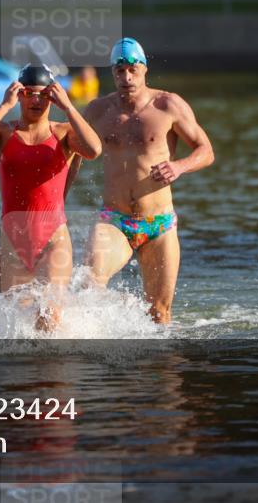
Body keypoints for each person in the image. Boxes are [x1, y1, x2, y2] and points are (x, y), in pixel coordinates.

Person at [78, 38, 214, 324]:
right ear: (112, 73)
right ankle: (126, 309)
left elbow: (206, 151)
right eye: (119, 71)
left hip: (159, 225)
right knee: (89, 284)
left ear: (144, 70)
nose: (126, 78)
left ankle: (158, 368)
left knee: (160, 314)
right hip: (114, 221)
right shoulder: (97, 111)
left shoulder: (168, 105)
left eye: (132, 70)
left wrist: (180, 166)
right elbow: (71, 157)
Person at [0, 65, 102, 331]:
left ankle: (52, 372)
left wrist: (70, 108)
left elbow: (94, 149)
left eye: (43, 94)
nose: (36, 100)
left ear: (53, 97)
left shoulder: (63, 133)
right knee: (14, 325)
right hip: (12, 242)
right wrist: (4, 106)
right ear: (19, 95)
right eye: (28, 93)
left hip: (53, 240)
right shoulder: (4, 133)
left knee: (50, 319)